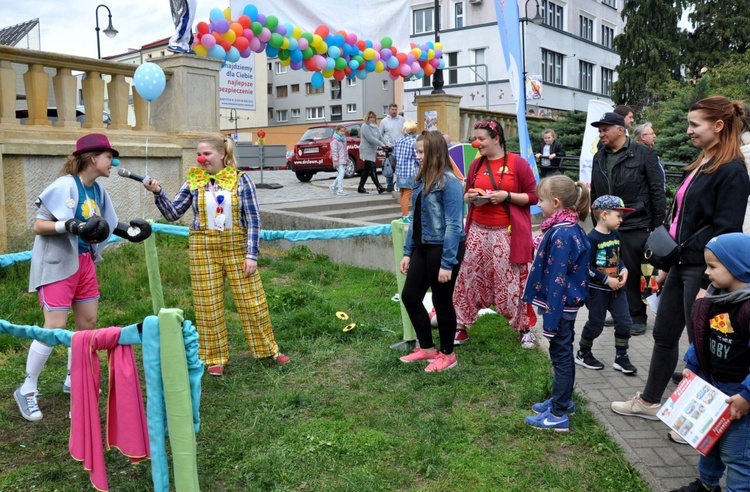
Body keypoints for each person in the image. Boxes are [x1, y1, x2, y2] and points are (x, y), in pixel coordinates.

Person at [611, 96, 750, 420]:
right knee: (663, 336)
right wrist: (668, 266)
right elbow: (680, 219)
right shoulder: (702, 162)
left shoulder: (732, 171)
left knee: (702, 348)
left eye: (694, 124)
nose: (688, 131)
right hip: (682, 264)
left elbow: (725, 230)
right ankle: (649, 402)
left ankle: (696, 422)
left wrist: (707, 282)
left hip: (703, 270)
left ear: (718, 126)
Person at [14, 134, 151, 422]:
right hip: (57, 264)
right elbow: (39, 224)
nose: (113, 162)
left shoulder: (97, 191)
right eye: (108, 157)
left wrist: (130, 232)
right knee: (54, 327)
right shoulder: (65, 185)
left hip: (85, 263)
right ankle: (27, 388)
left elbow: (103, 224)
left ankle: (72, 379)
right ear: (93, 158)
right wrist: (71, 225)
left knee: (86, 325)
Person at [144, 134, 289, 376]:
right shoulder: (193, 182)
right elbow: (173, 214)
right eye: (199, 154)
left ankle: (267, 349)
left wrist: (251, 254)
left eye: (207, 153)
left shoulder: (242, 181)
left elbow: (253, 220)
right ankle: (214, 357)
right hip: (203, 249)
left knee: (252, 301)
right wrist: (158, 192)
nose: (201, 158)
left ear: (222, 154)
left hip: (237, 248)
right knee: (207, 304)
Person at [671, 233, 750, 492]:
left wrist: (747, 395)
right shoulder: (717, 299)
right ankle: (706, 485)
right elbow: (702, 338)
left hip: (740, 399)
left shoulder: (747, 308)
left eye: (713, 266)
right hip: (714, 389)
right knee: (709, 442)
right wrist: (692, 367)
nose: (707, 272)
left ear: (738, 266)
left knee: (737, 456)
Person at [453, 119, 539, 348]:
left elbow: (533, 197)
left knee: (512, 282)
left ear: (496, 138)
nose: (476, 143)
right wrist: (470, 198)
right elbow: (466, 193)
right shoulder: (476, 164)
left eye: (481, 139)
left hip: (506, 233)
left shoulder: (517, 164)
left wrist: (506, 196)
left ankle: (523, 328)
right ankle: (460, 326)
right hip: (478, 232)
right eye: (475, 138)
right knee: (468, 279)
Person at [522, 175, 591, 431]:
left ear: (556, 202)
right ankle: (563, 400)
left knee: (561, 357)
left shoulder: (562, 234)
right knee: (562, 355)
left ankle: (559, 414)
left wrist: (549, 323)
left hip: (559, 307)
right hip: (564, 306)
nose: (538, 204)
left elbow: (557, 280)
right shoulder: (567, 228)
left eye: (541, 200)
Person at [590, 112, 666, 336]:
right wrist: (596, 219)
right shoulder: (599, 156)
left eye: (605, 129)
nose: (601, 133)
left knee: (633, 271)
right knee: (610, 268)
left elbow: (656, 191)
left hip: (636, 222)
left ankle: (638, 315)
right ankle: (621, 311)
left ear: (620, 130)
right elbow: (595, 189)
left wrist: (657, 225)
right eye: (599, 130)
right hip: (607, 224)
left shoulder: (644, 154)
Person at [398, 131, 466, 372]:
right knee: (410, 297)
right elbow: (415, 221)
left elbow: (455, 226)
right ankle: (427, 349)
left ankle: (448, 354)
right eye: (417, 151)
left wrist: (447, 263)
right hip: (423, 247)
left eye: (421, 152)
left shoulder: (450, 183)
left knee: (442, 300)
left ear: (435, 153)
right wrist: (408, 252)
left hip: (443, 249)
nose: (417, 157)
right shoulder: (420, 180)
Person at [577, 195, 637, 374]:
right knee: (596, 324)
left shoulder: (616, 235)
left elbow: (618, 259)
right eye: (618, 215)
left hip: (617, 289)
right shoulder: (591, 239)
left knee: (625, 322)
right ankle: (583, 353)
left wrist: (624, 269)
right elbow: (585, 267)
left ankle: (621, 357)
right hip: (597, 291)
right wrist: (606, 280)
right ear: (604, 214)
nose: (621, 219)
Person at [393, 120, 419, 221]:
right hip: (410, 171)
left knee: (403, 194)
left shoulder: (398, 141)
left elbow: (394, 156)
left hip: (399, 171)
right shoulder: (413, 142)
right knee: (408, 194)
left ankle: (404, 213)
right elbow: (417, 157)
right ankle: (405, 215)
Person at [357, 111, 387, 194]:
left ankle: (360, 187)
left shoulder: (375, 127)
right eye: (370, 117)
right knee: (372, 167)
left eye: (373, 117)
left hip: (372, 150)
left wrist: (387, 144)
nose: (372, 119)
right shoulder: (365, 126)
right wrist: (381, 145)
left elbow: (380, 137)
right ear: (367, 118)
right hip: (366, 149)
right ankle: (379, 187)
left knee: (366, 170)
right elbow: (370, 138)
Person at [380, 103, 405, 192]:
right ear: (389, 110)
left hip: (401, 148)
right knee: (389, 168)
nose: (394, 111)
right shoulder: (384, 121)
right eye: (392, 110)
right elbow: (380, 135)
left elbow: (405, 132)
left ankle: (399, 184)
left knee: (400, 167)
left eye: (395, 110)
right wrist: (384, 144)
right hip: (389, 148)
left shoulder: (402, 120)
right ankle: (389, 185)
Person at [329, 124, 348, 196]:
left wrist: (347, 160)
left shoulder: (343, 139)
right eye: (341, 131)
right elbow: (334, 151)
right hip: (338, 160)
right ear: (337, 131)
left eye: (344, 131)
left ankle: (333, 186)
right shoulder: (334, 141)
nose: (343, 133)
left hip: (343, 159)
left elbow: (345, 151)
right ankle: (340, 190)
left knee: (341, 174)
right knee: (341, 173)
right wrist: (335, 161)